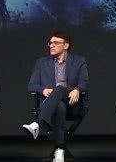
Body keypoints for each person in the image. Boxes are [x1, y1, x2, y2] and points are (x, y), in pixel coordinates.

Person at [22, 31, 90, 162]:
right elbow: (31, 85)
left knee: (59, 89)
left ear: (66, 45)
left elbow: (84, 82)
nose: (51, 45)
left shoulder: (79, 61)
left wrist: (77, 89)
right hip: (50, 107)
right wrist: (43, 90)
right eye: (50, 43)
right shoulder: (41, 63)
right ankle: (60, 150)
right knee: (59, 106)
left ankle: (37, 124)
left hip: (73, 104)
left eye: (56, 43)